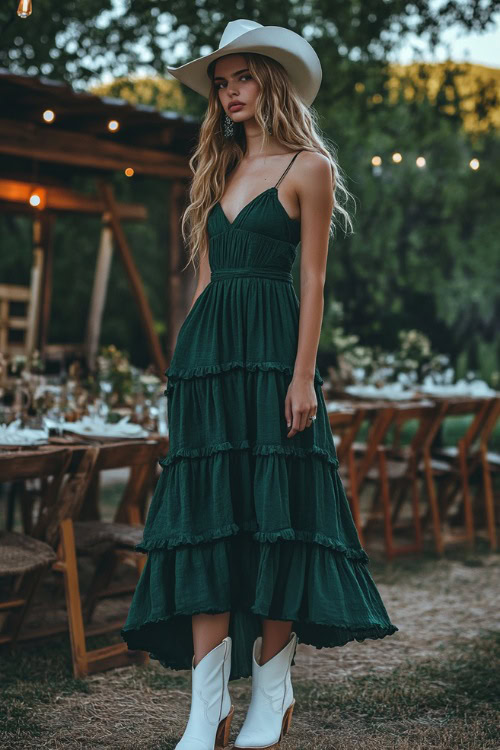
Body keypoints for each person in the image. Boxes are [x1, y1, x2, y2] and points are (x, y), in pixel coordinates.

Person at [121, 18, 399, 750]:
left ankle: (272, 694)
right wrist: (188, 366)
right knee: (208, 522)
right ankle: (204, 709)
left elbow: (312, 280)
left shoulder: (309, 166)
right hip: (211, 360)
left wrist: (303, 375)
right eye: (221, 82)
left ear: (270, 82)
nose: (229, 92)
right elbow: (207, 279)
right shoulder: (215, 168)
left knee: (278, 515)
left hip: (278, 356)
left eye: (241, 77)